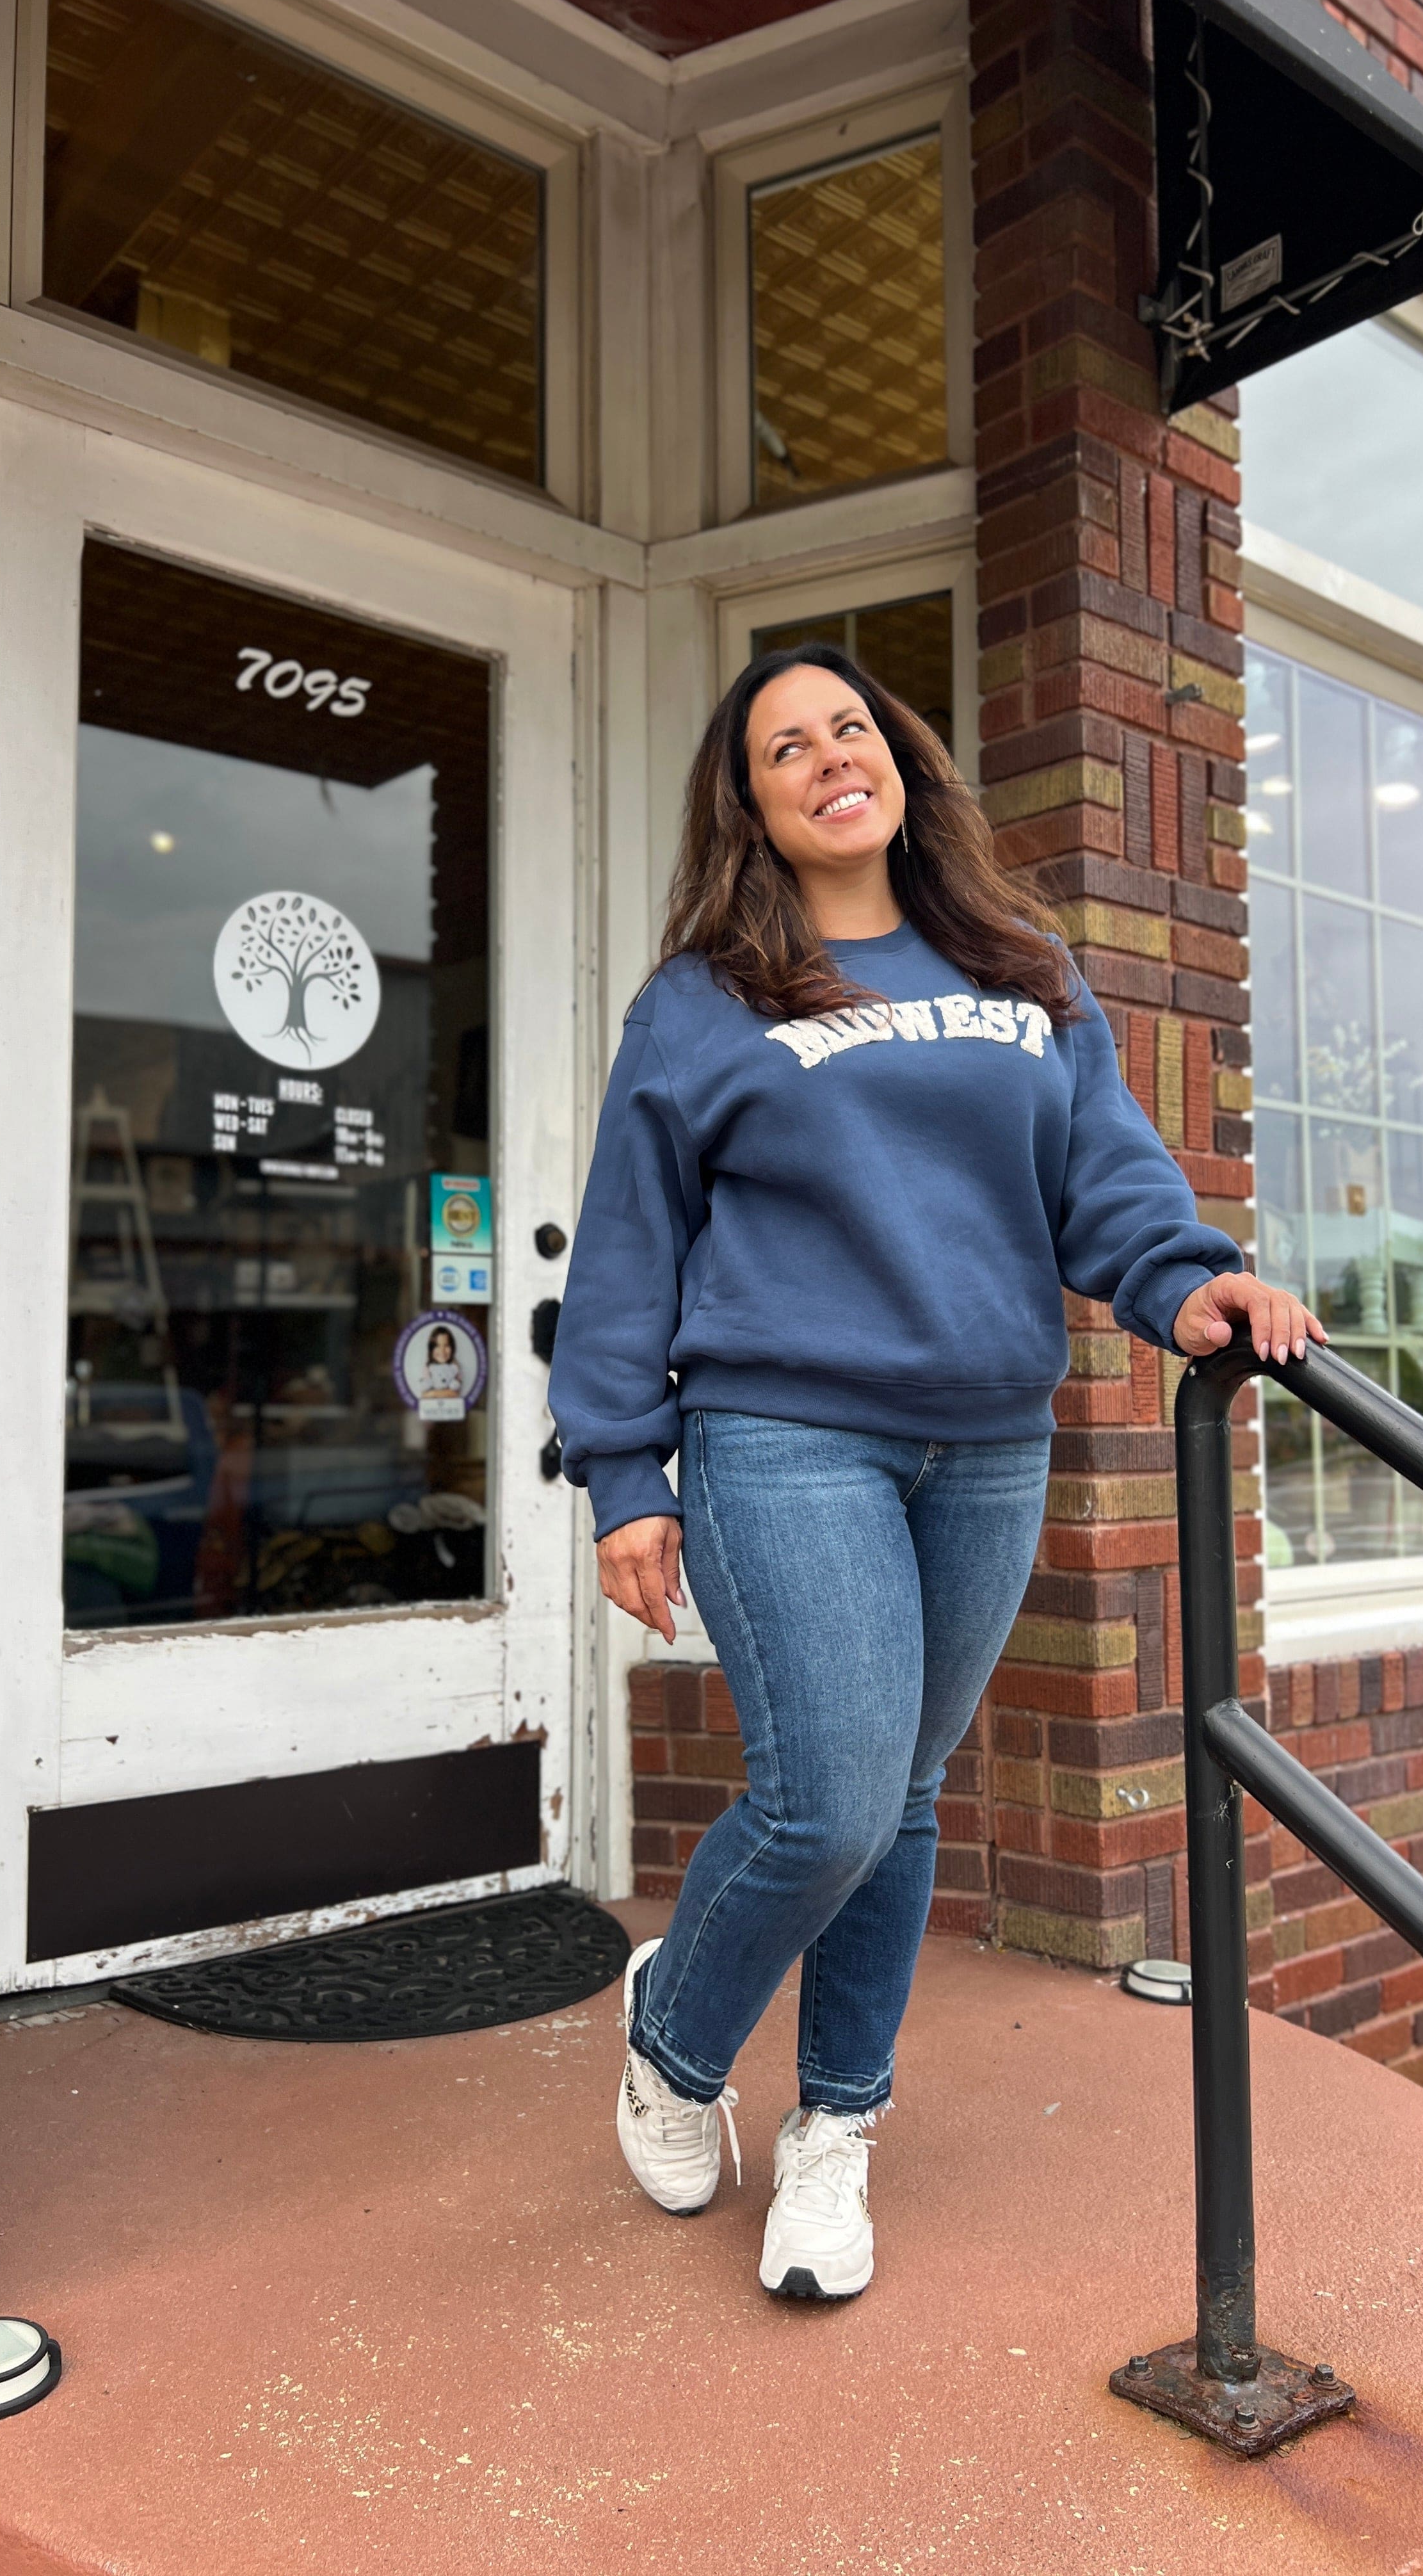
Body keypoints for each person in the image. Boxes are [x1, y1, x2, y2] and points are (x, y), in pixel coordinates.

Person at [547, 644, 1325, 2303]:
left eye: (853, 727)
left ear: (900, 761)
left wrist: (1187, 1284)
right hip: (782, 1432)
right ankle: (678, 2035)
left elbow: (1105, 1185)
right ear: (749, 804)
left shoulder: (1023, 968)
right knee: (827, 1794)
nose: (830, 755)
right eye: (784, 746)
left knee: (898, 1803)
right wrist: (626, 1473)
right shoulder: (707, 996)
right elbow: (630, 1246)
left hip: (986, 1441)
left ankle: (836, 2138)